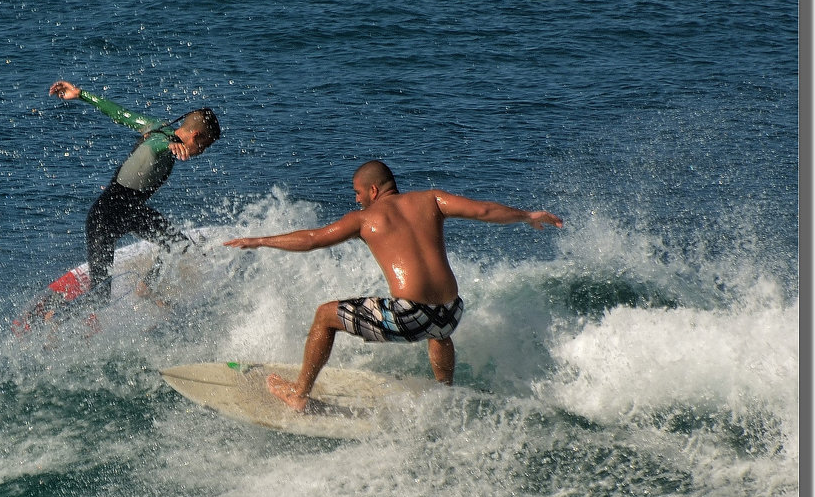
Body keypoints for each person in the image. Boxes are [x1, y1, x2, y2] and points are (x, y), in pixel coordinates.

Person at [224, 160, 563, 411]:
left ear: (373, 190)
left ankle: (298, 394)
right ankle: (444, 393)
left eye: (358, 193)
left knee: (325, 315)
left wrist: (260, 240)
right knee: (438, 332)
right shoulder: (432, 199)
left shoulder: (365, 218)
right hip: (450, 313)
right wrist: (527, 216)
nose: (356, 200)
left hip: (409, 316)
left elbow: (312, 239)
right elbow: (485, 210)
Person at [48, 80, 221, 302]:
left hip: (128, 213)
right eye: (203, 146)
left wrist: (82, 94)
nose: (201, 152)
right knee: (100, 298)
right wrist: (169, 146)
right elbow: (155, 146)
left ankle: (146, 287)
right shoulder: (162, 139)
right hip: (105, 218)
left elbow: (121, 114)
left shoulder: (156, 126)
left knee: (177, 245)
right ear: (196, 135)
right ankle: (56, 310)